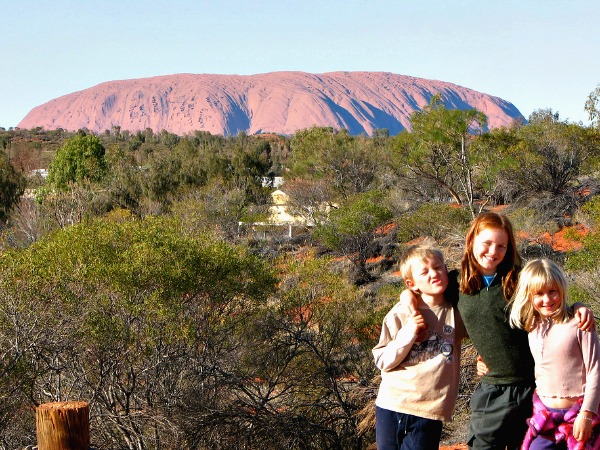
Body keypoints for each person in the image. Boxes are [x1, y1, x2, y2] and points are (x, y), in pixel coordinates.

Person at [399, 212, 594, 450]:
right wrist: (407, 296)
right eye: (487, 243)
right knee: (483, 445)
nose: (493, 252)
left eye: (501, 246)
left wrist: (578, 307)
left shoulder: (520, 279)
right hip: (495, 388)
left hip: (535, 388)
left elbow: (550, 298)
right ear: (472, 241)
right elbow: (418, 288)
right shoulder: (457, 283)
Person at [372, 242, 466, 450]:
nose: (434, 274)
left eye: (438, 267)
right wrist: (410, 331)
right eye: (424, 272)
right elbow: (382, 360)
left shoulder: (458, 312)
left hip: (429, 410)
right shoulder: (400, 313)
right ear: (411, 284)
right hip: (393, 403)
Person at [508, 258, 600, 450]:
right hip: (544, 416)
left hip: (577, 414)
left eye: (553, 291)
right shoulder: (531, 325)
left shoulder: (579, 322)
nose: (547, 299)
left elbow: (595, 370)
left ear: (561, 290)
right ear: (528, 296)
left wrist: (587, 414)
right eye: (539, 294)